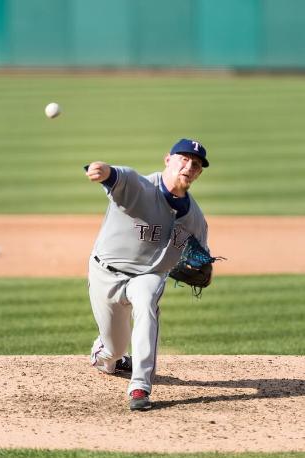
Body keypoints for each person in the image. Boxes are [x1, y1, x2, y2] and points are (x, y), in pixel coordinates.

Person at [85, 138, 210, 411]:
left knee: (146, 302)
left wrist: (202, 269)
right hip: (106, 274)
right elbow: (113, 175)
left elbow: (201, 257)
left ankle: (140, 386)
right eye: (184, 159)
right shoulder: (138, 186)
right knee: (113, 351)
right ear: (168, 159)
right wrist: (100, 170)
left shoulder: (195, 219)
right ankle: (106, 356)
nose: (189, 166)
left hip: (149, 275)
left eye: (196, 164)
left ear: (199, 173)